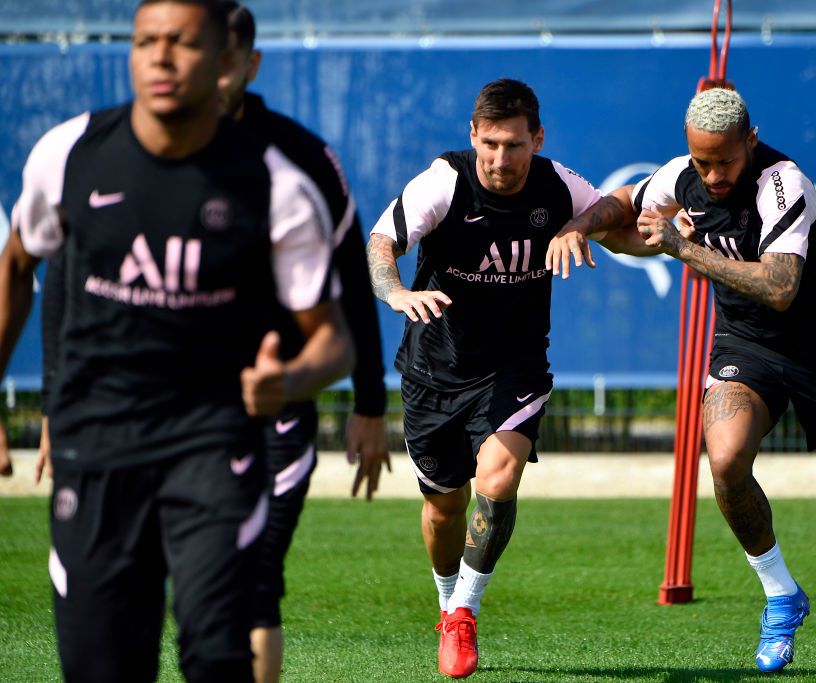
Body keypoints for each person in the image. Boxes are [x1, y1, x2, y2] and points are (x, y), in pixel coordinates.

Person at [0, 1, 353, 681]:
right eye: (145, 41)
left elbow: (334, 341)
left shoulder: (275, 185)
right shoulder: (69, 153)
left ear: (226, 62)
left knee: (218, 653)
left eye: (183, 43)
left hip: (213, 447)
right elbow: (17, 265)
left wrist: (294, 379)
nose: (160, 57)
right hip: (96, 446)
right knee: (103, 665)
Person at [545, 87, 816, 680]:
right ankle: (782, 594)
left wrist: (681, 246)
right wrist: (579, 225)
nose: (711, 176)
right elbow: (626, 203)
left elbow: (781, 289)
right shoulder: (682, 174)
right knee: (726, 459)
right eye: (701, 162)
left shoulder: (783, 183)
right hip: (746, 347)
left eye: (724, 162)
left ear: (750, 141)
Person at [367, 78, 613, 678]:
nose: (502, 159)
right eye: (491, 144)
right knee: (443, 508)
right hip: (434, 370)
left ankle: (464, 615)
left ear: (538, 140)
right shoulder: (444, 182)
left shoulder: (558, 185)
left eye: (515, 145)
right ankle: (446, 601)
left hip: (516, 365)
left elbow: (617, 210)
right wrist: (395, 292)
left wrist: (580, 227)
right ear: (473, 135)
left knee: (497, 480)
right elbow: (380, 243)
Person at [218, 3, 390, 682]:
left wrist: (371, 403)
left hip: (277, 411)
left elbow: (352, 281)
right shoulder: (137, 153)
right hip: (174, 413)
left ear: (249, 64)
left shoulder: (302, 157)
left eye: (222, 55)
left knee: (255, 578)